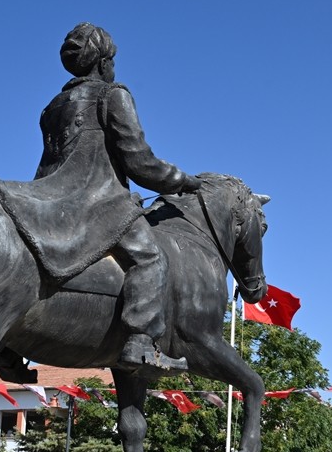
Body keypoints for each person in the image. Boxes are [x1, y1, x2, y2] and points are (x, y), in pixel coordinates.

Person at [31, 22, 203, 372]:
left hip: (46, 201)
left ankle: (6, 350)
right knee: (151, 258)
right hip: (96, 203)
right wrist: (182, 180)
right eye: (111, 60)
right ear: (102, 62)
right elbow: (139, 161)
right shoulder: (112, 95)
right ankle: (141, 342)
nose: (113, 67)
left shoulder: (53, 105)